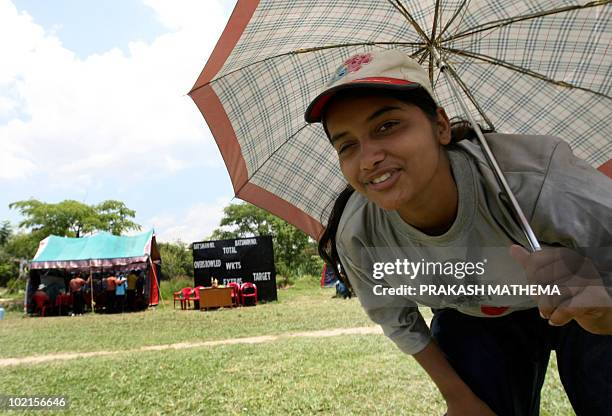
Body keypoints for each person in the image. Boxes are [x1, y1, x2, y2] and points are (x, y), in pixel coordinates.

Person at [305, 49, 612, 416]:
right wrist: (458, 397)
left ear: (441, 125)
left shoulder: (537, 181)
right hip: (476, 320)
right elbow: (398, 321)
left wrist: (601, 310)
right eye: (347, 145)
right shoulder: (360, 234)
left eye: (387, 126)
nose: (368, 157)